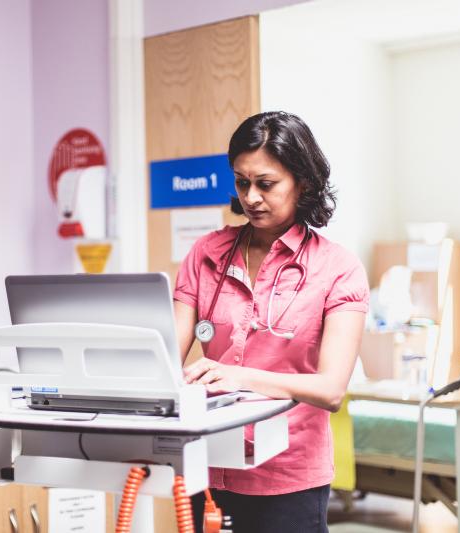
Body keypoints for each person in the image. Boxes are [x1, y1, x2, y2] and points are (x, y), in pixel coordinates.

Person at [173, 111, 369, 532]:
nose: (251, 197)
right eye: (242, 182)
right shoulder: (206, 254)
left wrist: (236, 375)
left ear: (304, 181)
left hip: (288, 480)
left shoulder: (337, 268)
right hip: (207, 467)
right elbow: (165, 356)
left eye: (266, 184)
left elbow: (331, 389)